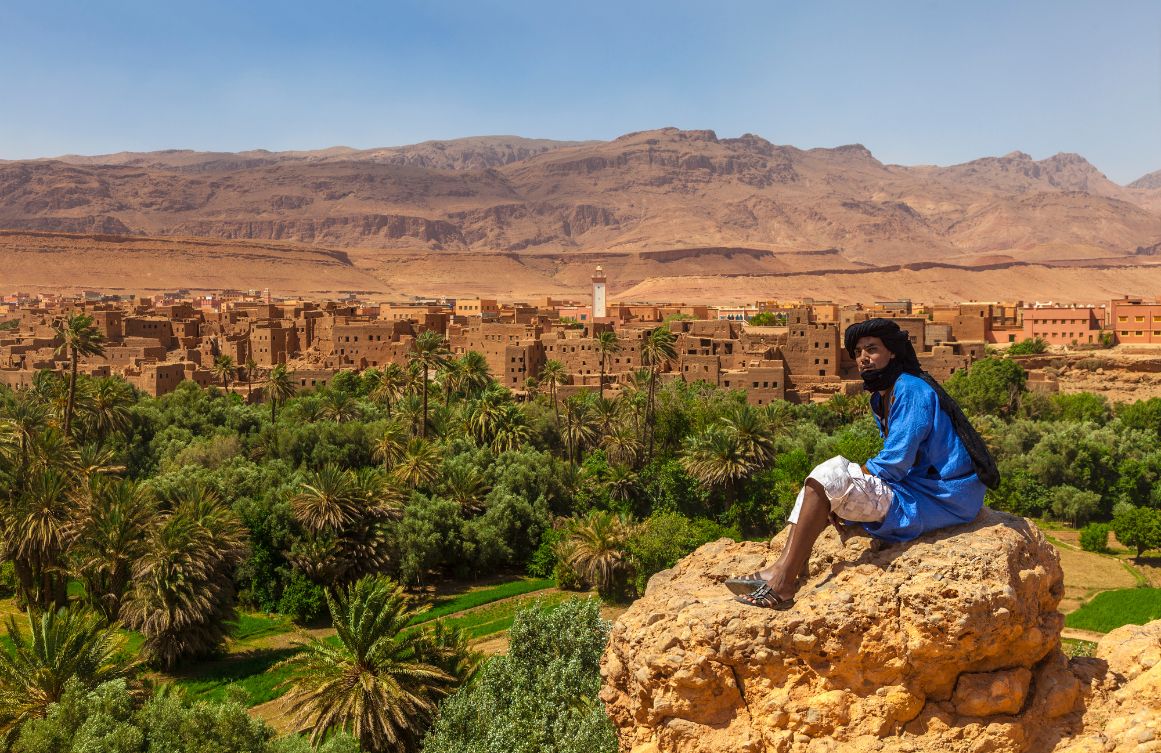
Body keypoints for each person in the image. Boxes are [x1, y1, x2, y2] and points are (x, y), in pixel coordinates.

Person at [730, 318, 986, 609]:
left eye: (872, 349)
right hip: (919, 489)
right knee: (820, 480)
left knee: (830, 477)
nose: (863, 358)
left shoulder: (911, 390)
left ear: (892, 352)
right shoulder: (881, 397)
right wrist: (841, 492)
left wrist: (844, 489)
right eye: (858, 352)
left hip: (945, 497)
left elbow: (896, 461)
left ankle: (783, 584)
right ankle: (782, 568)